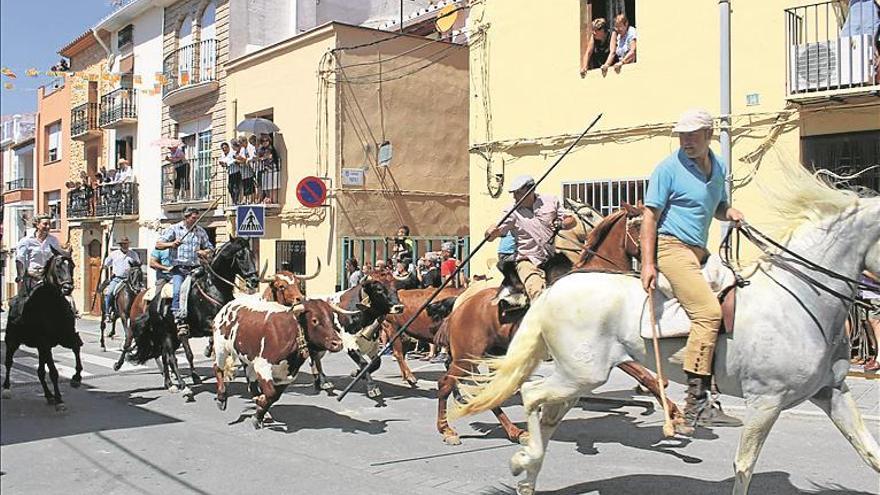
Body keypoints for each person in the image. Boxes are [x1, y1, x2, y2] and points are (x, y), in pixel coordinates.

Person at [641, 108, 745, 427]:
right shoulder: (667, 169)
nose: (686, 142)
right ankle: (696, 403)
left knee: (740, 292)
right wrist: (648, 263)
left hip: (700, 251)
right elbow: (650, 217)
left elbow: (718, 207)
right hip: (671, 247)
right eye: (682, 136)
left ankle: (718, 378)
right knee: (708, 313)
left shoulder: (719, 166)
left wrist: (731, 212)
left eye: (692, 136)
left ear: (708, 135)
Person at [484, 175, 576, 302]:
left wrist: (561, 224)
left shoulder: (551, 201)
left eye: (518, 193)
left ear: (531, 190)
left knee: (574, 284)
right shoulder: (511, 212)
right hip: (527, 260)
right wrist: (490, 232)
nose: (514, 197)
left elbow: (571, 220)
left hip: (552, 258)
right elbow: (492, 235)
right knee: (537, 291)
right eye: (513, 193)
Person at [156, 207, 214, 337]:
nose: (196, 220)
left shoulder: (200, 231)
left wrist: (204, 252)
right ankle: (179, 318)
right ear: (186, 217)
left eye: (197, 218)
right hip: (180, 269)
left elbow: (210, 248)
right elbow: (158, 244)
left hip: (196, 268)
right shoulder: (174, 229)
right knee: (179, 291)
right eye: (193, 218)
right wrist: (171, 244)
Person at [15, 214, 64, 296]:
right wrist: (20, 275)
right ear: (37, 225)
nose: (48, 227)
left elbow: (58, 256)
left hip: (49, 277)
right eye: (45, 224)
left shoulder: (53, 240)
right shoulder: (26, 241)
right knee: (22, 301)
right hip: (32, 276)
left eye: (49, 224)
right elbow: (20, 259)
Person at [102, 236, 141, 322]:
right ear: (120, 245)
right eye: (123, 244)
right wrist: (104, 265)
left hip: (131, 280)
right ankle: (108, 313)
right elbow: (106, 264)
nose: (125, 246)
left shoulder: (133, 254)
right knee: (109, 293)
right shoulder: (114, 254)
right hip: (117, 279)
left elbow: (138, 265)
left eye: (126, 244)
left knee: (140, 293)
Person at [860, 270, 880, 372]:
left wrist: (864, 271)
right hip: (864, 291)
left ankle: (879, 358)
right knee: (867, 322)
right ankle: (876, 353)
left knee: (875, 322)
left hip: (876, 293)